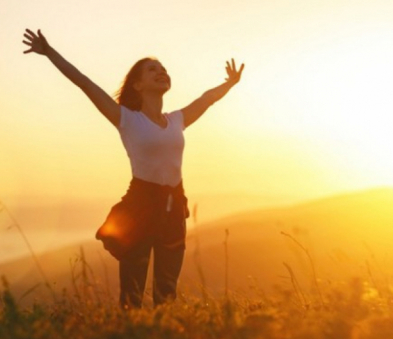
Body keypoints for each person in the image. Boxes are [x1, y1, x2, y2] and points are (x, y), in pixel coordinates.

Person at [22, 29, 244, 308]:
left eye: (163, 69)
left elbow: (206, 99)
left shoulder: (177, 120)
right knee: (132, 293)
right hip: (140, 206)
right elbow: (85, 83)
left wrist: (230, 83)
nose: (161, 72)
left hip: (174, 206)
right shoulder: (125, 118)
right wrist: (49, 52)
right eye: (152, 70)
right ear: (137, 85)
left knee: (167, 291)